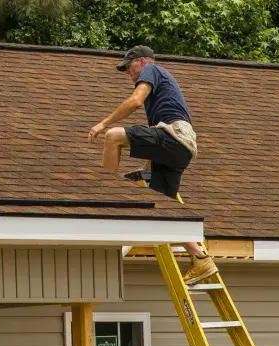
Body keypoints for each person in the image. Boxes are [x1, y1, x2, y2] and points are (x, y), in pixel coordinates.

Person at [87, 46, 215, 284]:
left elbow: (135, 102)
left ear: (143, 61)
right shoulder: (162, 87)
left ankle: (105, 192)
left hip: (174, 136)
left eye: (129, 66)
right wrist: (147, 168)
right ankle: (201, 258)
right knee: (160, 210)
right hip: (180, 149)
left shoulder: (152, 70)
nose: (127, 71)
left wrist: (102, 123)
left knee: (113, 136)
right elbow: (153, 139)